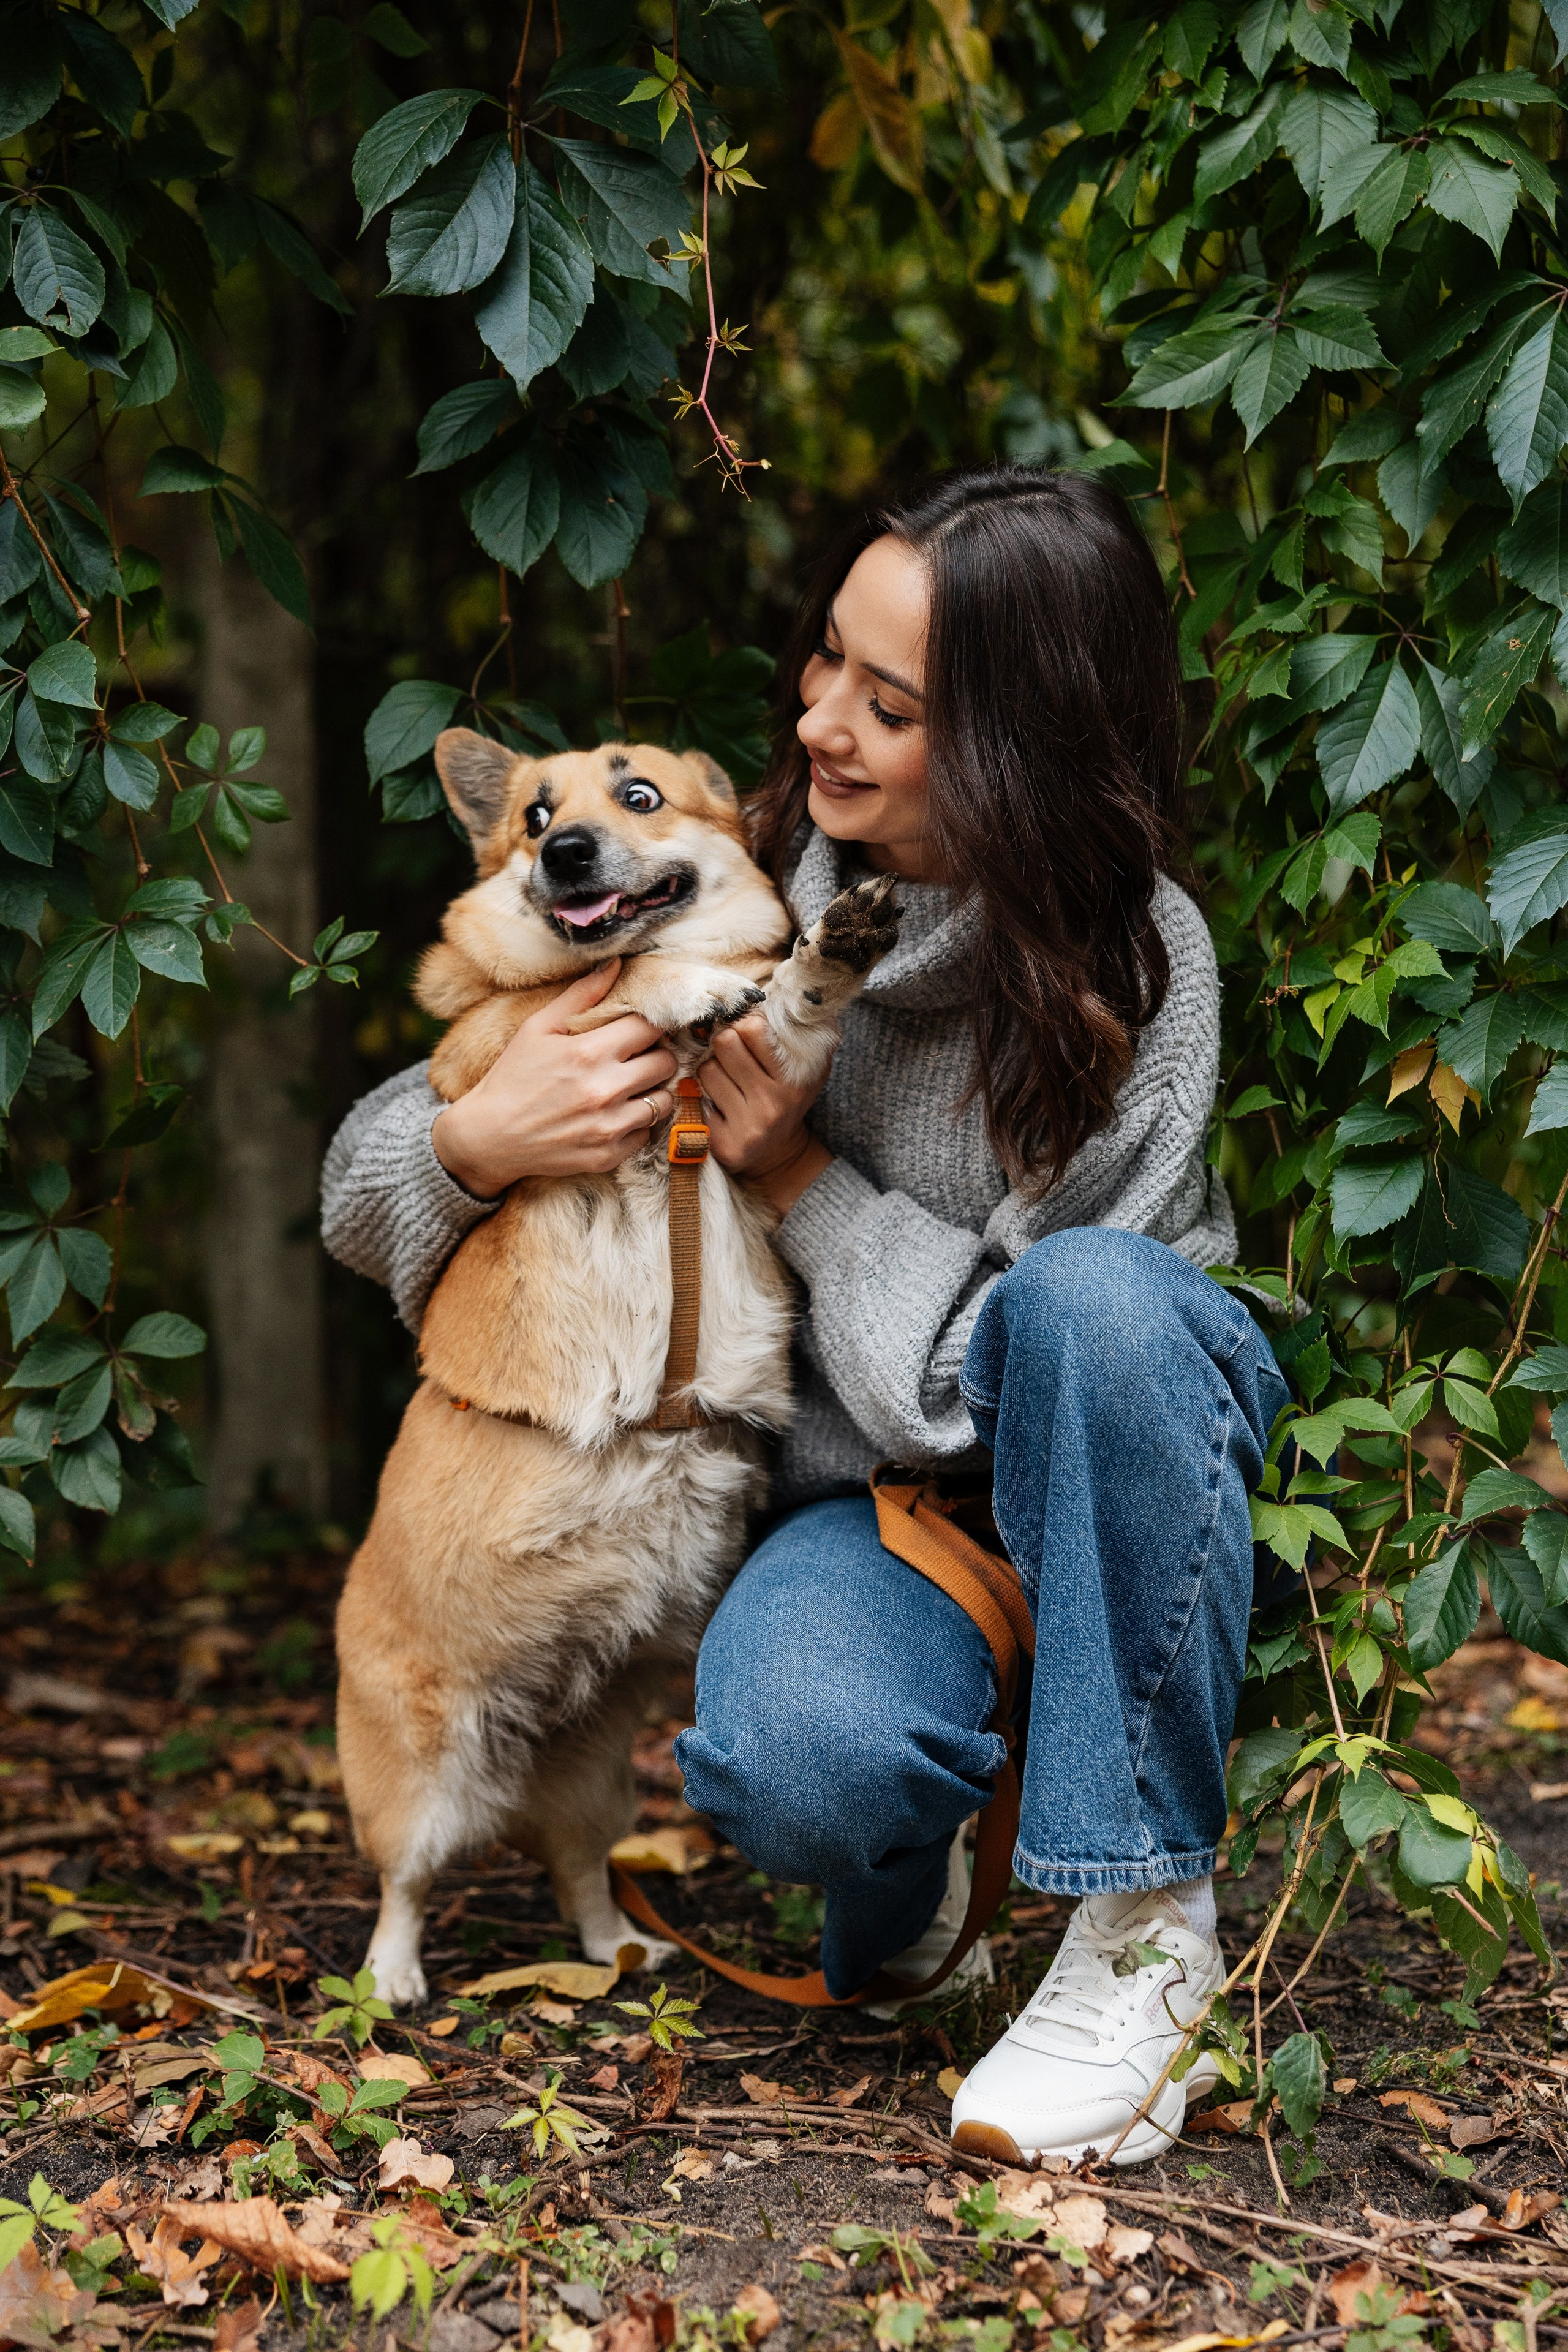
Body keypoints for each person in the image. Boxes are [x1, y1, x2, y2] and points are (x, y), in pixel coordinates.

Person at [321, 466, 1288, 2169]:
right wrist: (478, 1140)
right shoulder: (717, 881)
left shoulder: (1141, 964)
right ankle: (922, 1873)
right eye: (825, 664)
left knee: (1101, 1303)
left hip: (1109, 1494)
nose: (823, 722)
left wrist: (797, 1187)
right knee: (787, 1769)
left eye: (891, 705)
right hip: (866, 1526)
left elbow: (1041, 1379)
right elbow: (365, 1176)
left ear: (1019, 740)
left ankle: (1140, 1929)